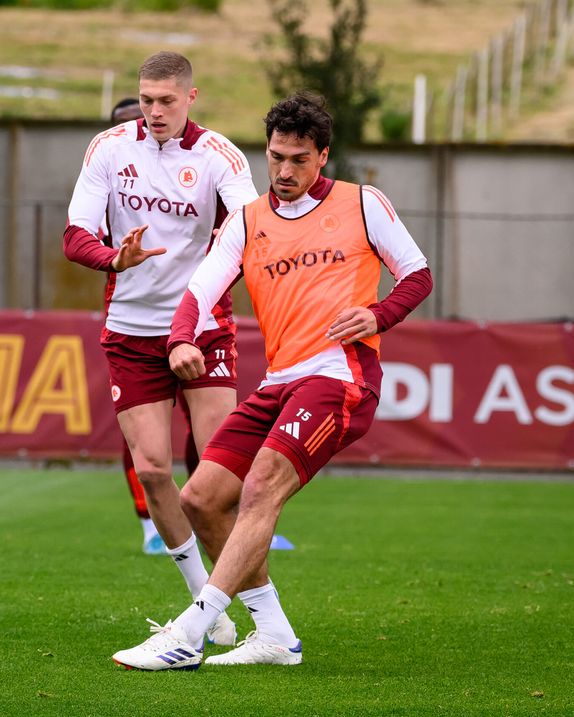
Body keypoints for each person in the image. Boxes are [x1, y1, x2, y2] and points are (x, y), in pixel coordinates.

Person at [110, 92, 433, 670]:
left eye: (299, 160)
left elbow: (417, 273)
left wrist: (378, 315)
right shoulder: (247, 219)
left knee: (259, 490)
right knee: (202, 500)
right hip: (280, 381)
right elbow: (199, 292)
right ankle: (275, 635)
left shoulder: (364, 205)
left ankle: (192, 628)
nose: (284, 172)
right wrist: (182, 337)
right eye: (276, 157)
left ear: (323, 157)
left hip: (339, 378)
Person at [64, 52, 260, 647]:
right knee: (153, 470)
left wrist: (197, 311)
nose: (153, 111)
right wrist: (113, 258)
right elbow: (76, 235)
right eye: (145, 100)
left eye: (165, 101)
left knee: (219, 478)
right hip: (128, 329)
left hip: (202, 328)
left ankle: (258, 617)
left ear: (191, 97)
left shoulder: (221, 157)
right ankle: (210, 607)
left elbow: (254, 234)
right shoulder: (108, 149)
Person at [106, 96, 199, 556]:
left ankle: (213, 513)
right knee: (145, 447)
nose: (148, 121)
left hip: (195, 322)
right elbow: (80, 237)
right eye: (134, 117)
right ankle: (149, 523)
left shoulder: (199, 166)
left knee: (210, 435)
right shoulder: (106, 175)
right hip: (133, 323)